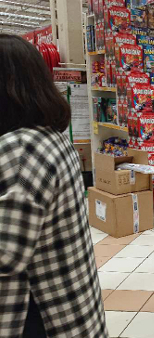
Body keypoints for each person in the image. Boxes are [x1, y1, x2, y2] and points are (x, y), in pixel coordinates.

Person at [0, 34, 108, 337]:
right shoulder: (50, 136)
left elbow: (6, 254)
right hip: (69, 304)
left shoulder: (20, 149)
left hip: (41, 315)